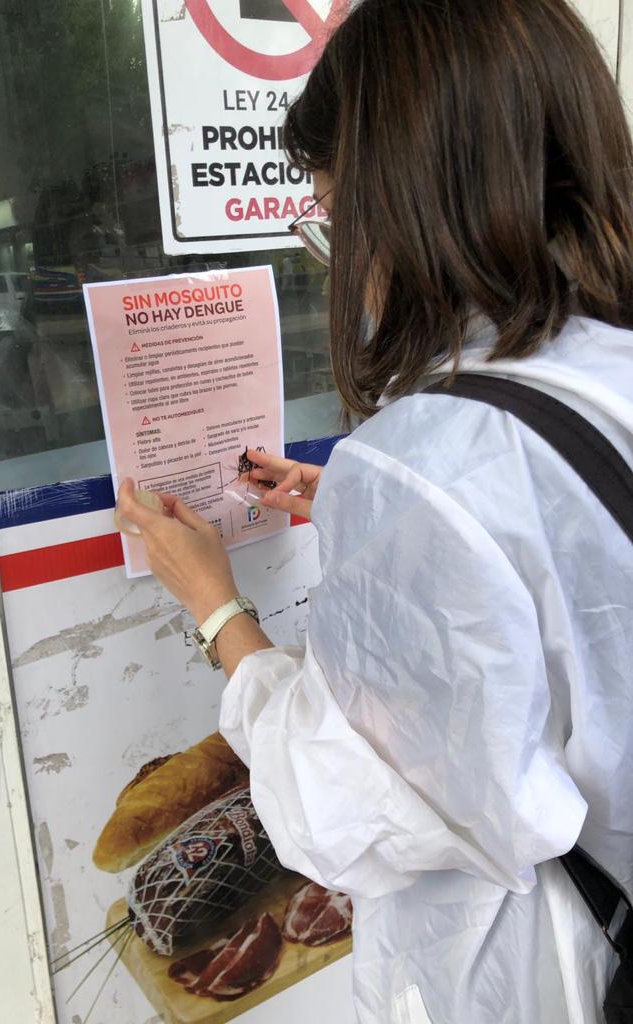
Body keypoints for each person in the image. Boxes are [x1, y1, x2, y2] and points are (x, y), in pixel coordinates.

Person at [115, 1, 633, 1020]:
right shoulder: (598, 367)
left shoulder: (424, 466)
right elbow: (572, 571)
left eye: (329, 212)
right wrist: (384, 518)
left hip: (550, 975)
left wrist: (219, 608)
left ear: (399, 208)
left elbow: (341, 808)